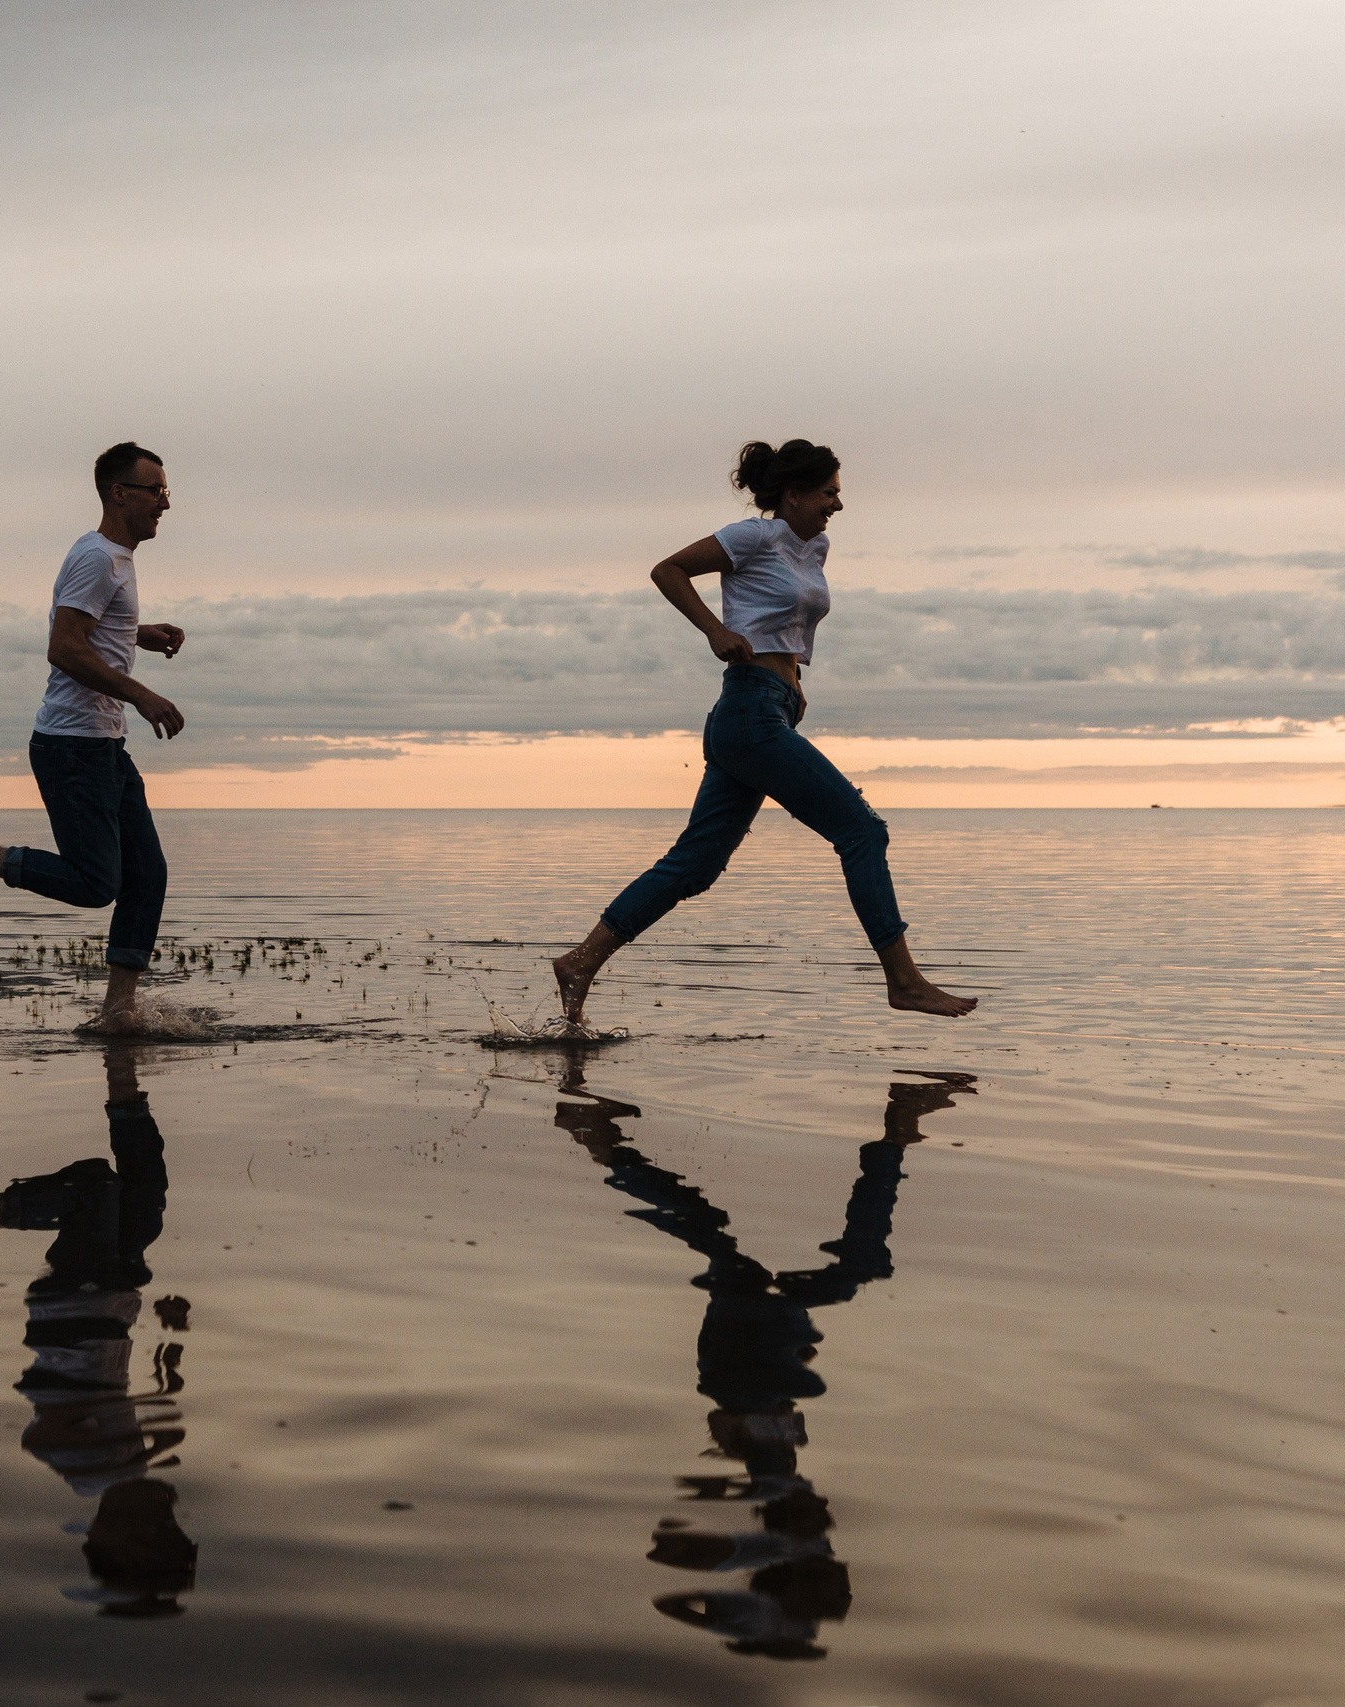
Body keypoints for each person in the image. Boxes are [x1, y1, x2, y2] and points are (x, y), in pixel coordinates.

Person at [552, 1054, 975, 1659]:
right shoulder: (790, 1527)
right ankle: (604, 1143)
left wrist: (734, 1606)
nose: (836, 1564)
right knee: (757, 1250)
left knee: (737, 1248)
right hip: (765, 1370)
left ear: (786, 1588)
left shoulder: (766, 1539)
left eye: (820, 1590)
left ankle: (896, 1132)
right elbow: (685, 1564)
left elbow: (667, 1556)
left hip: (742, 1374)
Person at [551, 440, 977, 1024]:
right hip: (748, 710)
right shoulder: (753, 537)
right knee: (862, 832)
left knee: (695, 866)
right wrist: (714, 630)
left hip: (768, 710)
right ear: (793, 494)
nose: (838, 505)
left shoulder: (815, 548)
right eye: (829, 493)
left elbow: (786, 622)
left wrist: (793, 679)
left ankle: (580, 962)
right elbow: (667, 570)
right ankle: (903, 981)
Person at [0, 1045, 198, 1618]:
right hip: (114, 1303)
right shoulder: (124, 1470)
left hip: (71, 1309)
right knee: (145, 1194)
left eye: (161, 1533)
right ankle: (123, 1074)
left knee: (93, 1188)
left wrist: (86, 1420)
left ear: (111, 1536)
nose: (170, 1518)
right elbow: (160, 1413)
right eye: (173, 1529)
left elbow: (38, 1439)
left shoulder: (88, 1474)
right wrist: (172, 1349)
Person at [0, 442, 187, 1033]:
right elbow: (64, 647)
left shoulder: (112, 558)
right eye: (155, 491)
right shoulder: (97, 557)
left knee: (147, 876)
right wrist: (141, 693)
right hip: (72, 746)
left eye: (166, 492)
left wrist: (136, 631)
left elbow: (85, 624)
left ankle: (118, 1013)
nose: (165, 504)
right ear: (118, 493)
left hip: (103, 744)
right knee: (97, 883)